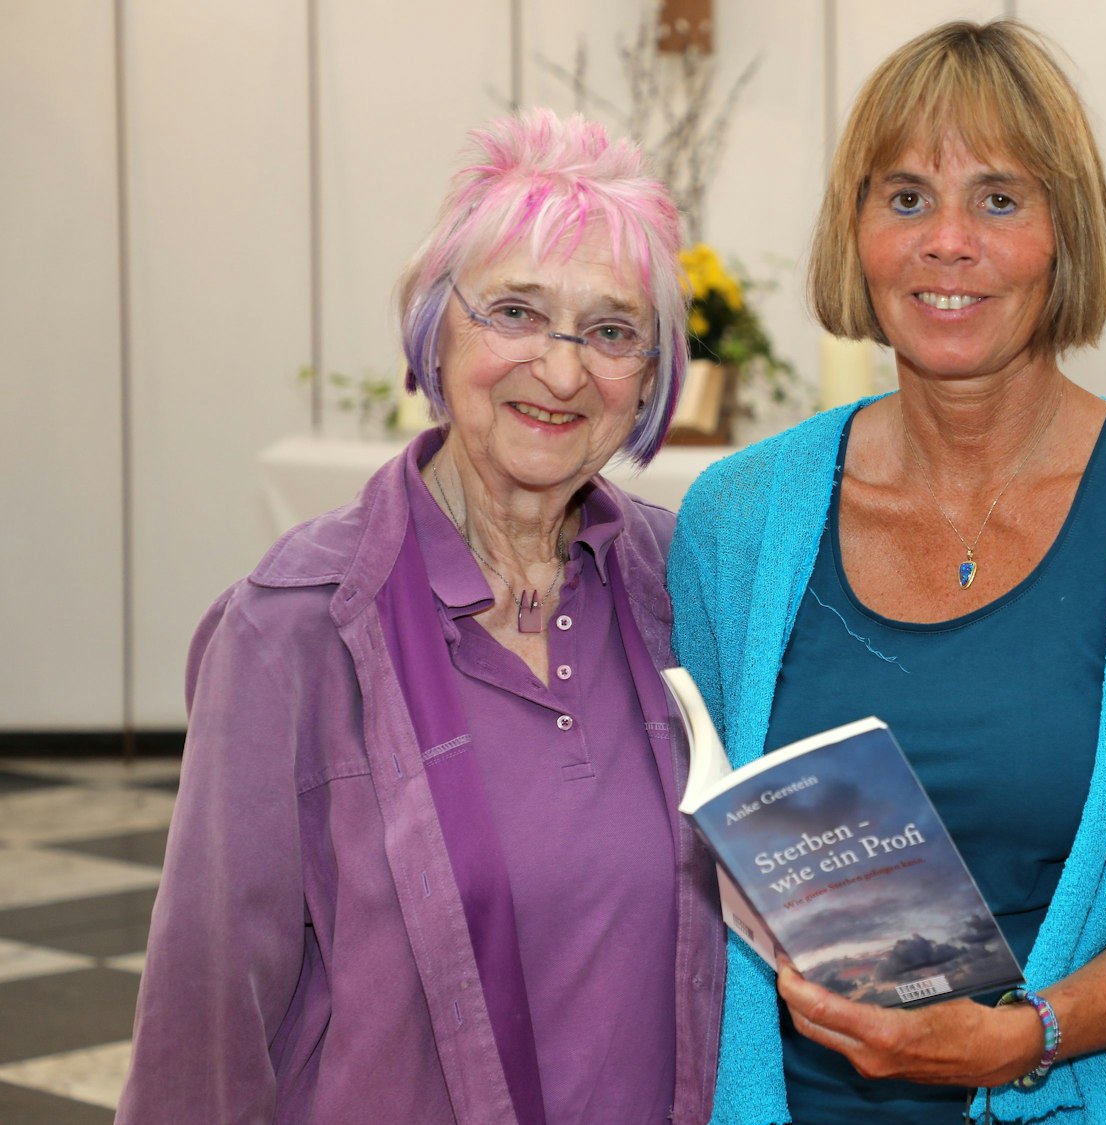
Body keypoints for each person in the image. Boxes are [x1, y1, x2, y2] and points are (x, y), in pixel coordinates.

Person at [669, 19, 1106, 1125]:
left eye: (999, 199)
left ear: (1064, 234)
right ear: (855, 232)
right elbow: (709, 864)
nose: (946, 242)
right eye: (905, 197)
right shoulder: (737, 522)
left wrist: (1025, 1035)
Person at [119, 111, 724, 1125]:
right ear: (434, 329)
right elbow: (206, 1022)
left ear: (650, 380)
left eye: (612, 331)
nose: (563, 371)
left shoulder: (686, 586)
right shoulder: (293, 630)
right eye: (516, 312)